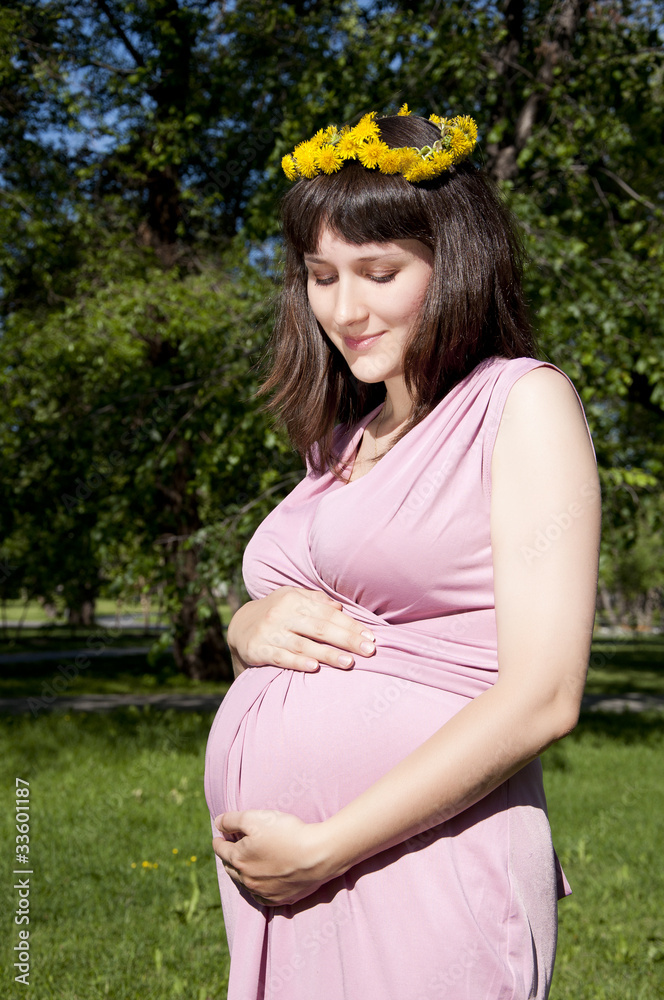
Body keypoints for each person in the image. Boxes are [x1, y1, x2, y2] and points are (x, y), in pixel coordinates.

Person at [204, 106, 601, 1000]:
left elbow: (544, 695)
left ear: (452, 263)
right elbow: (321, 615)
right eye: (320, 276)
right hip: (292, 888)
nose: (344, 309)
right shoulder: (342, 441)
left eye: (380, 273)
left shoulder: (521, 405)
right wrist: (247, 625)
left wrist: (323, 846)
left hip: (419, 864)